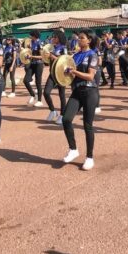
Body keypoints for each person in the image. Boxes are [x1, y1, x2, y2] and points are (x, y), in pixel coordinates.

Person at [62, 29, 99, 171]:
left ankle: (89, 157)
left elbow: (90, 76)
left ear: (89, 40)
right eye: (79, 38)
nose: (79, 40)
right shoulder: (75, 56)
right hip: (76, 91)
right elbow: (69, 74)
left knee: (87, 125)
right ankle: (73, 149)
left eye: (82, 38)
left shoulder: (92, 55)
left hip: (90, 92)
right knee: (66, 119)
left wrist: (74, 72)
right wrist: (64, 72)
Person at [43, 30, 68, 124]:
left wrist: (52, 56)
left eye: (55, 37)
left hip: (61, 74)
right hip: (52, 73)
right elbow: (47, 62)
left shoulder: (63, 48)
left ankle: (62, 115)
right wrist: (46, 57)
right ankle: (53, 111)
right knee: (46, 92)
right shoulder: (52, 48)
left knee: (62, 95)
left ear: (60, 38)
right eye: (53, 37)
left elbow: (65, 61)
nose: (53, 38)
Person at [23, 31, 44, 107]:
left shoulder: (40, 43)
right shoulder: (31, 42)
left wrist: (32, 57)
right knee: (25, 80)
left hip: (39, 64)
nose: (30, 37)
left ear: (35, 36)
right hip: (32, 64)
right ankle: (33, 95)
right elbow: (29, 52)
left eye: (31, 36)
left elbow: (42, 57)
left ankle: (39, 100)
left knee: (38, 83)